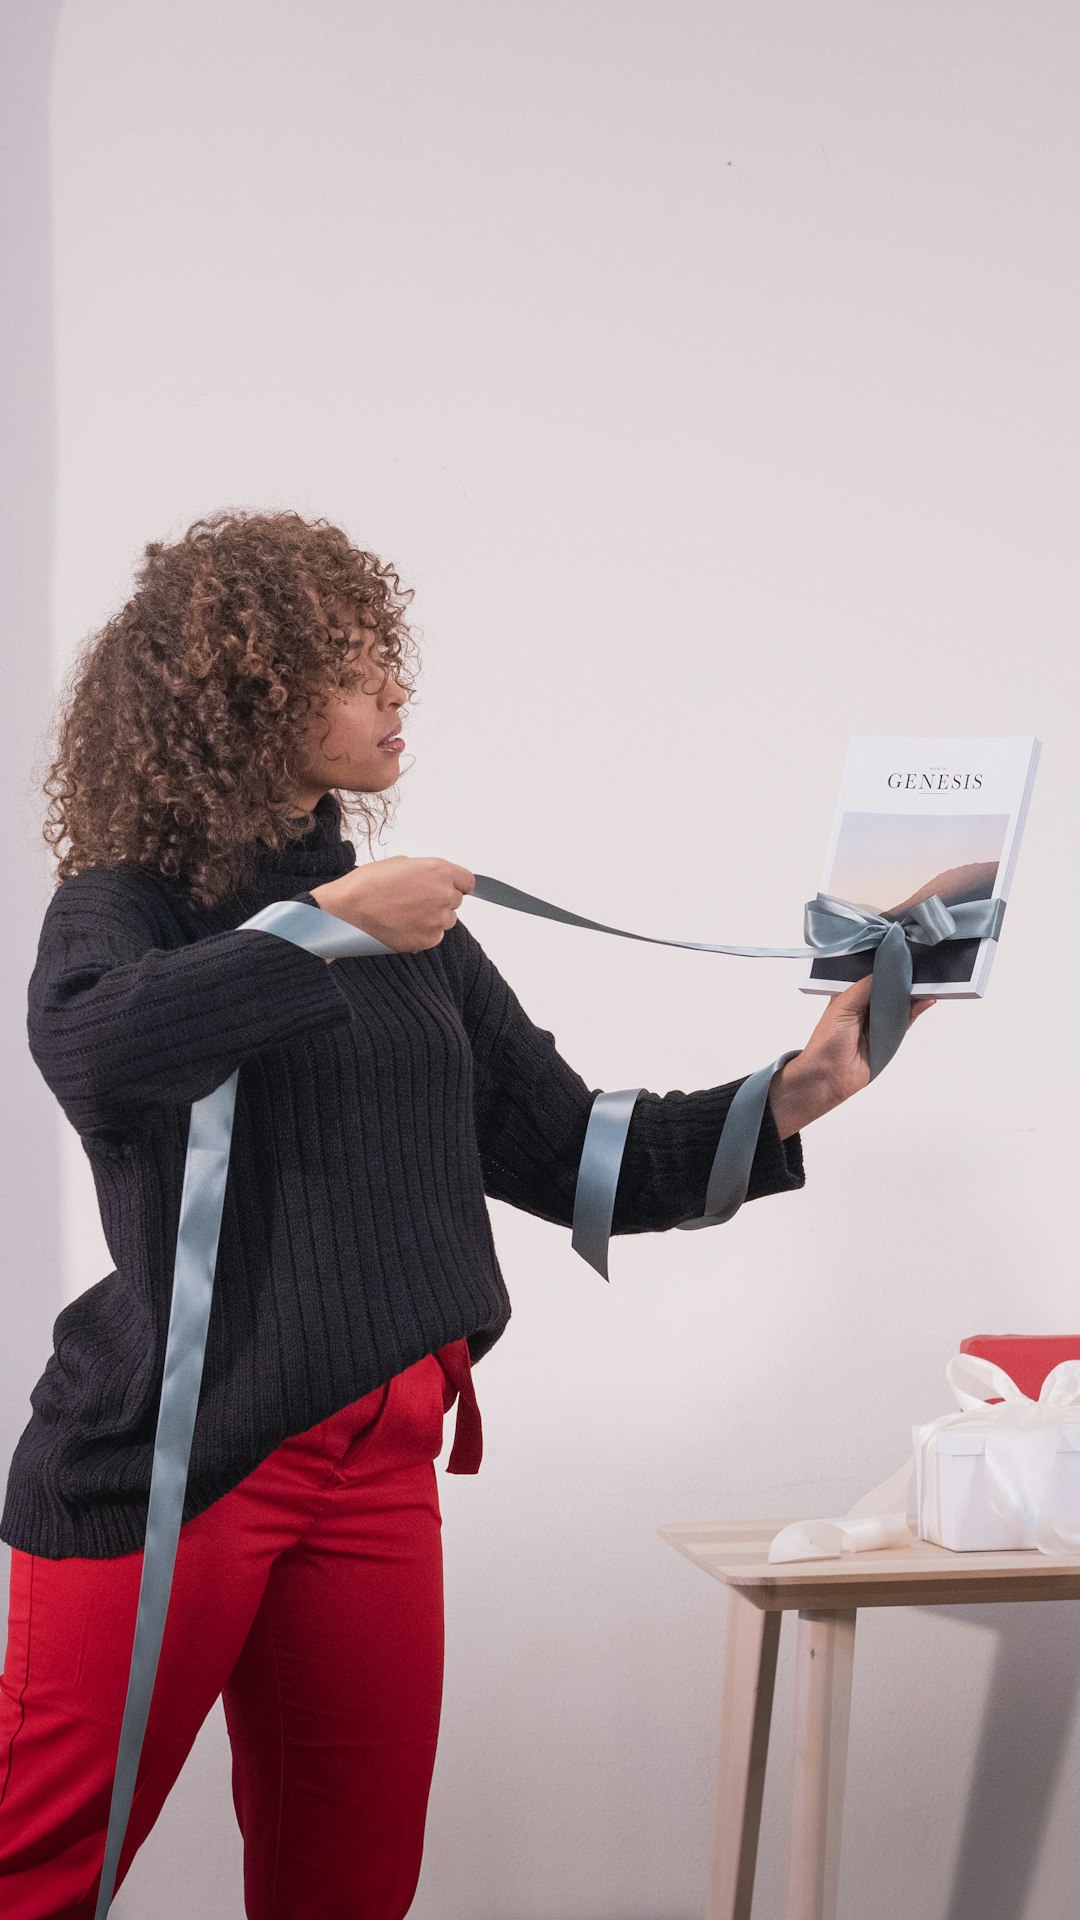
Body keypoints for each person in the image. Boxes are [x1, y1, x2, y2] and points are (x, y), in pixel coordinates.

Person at [0, 508, 935, 1917]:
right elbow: (91, 1052)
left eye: (390, 656)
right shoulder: (133, 907)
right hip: (174, 1464)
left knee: (351, 1891)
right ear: (244, 697)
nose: (396, 691)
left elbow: (578, 1153)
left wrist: (798, 1090)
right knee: (38, 1874)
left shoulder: (414, 935)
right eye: (350, 662)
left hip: (380, 1464)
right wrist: (325, 926)